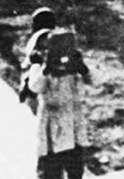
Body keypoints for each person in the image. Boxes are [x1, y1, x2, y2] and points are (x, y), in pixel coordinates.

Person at [24, 10, 91, 179]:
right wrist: (46, 69)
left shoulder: (70, 63)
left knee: (75, 170)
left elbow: (87, 83)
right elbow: (34, 86)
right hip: (51, 123)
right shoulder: (40, 63)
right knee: (51, 171)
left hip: (71, 122)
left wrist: (81, 68)